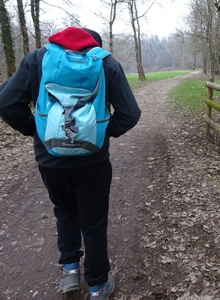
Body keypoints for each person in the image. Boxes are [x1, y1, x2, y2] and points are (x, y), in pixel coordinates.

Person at [0, 27, 141, 299]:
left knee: (64, 211)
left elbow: (6, 103)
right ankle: (99, 286)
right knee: (94, 221)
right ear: (94, 45)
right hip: (93, 162)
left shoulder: (37, 59)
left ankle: (70, 271)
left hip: (50, 159)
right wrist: (102, 134)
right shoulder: (106, 63)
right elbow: (130, 114)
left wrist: (35, 131)